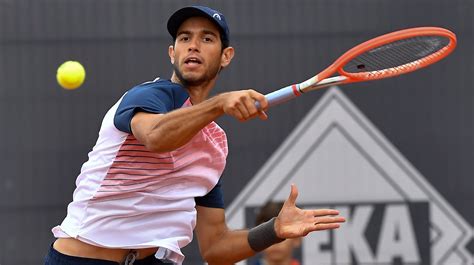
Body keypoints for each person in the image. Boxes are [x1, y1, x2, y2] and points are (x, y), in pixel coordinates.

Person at [44, 5, 346, 265]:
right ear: (172, 52)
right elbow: (156, 138)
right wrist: (218, 104)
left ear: (226, 56)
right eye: (184, 38)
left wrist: (274, 230)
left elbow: (215, 248)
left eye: (207, 38)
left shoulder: (213, 146)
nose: (193, 45)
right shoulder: (149, 96)